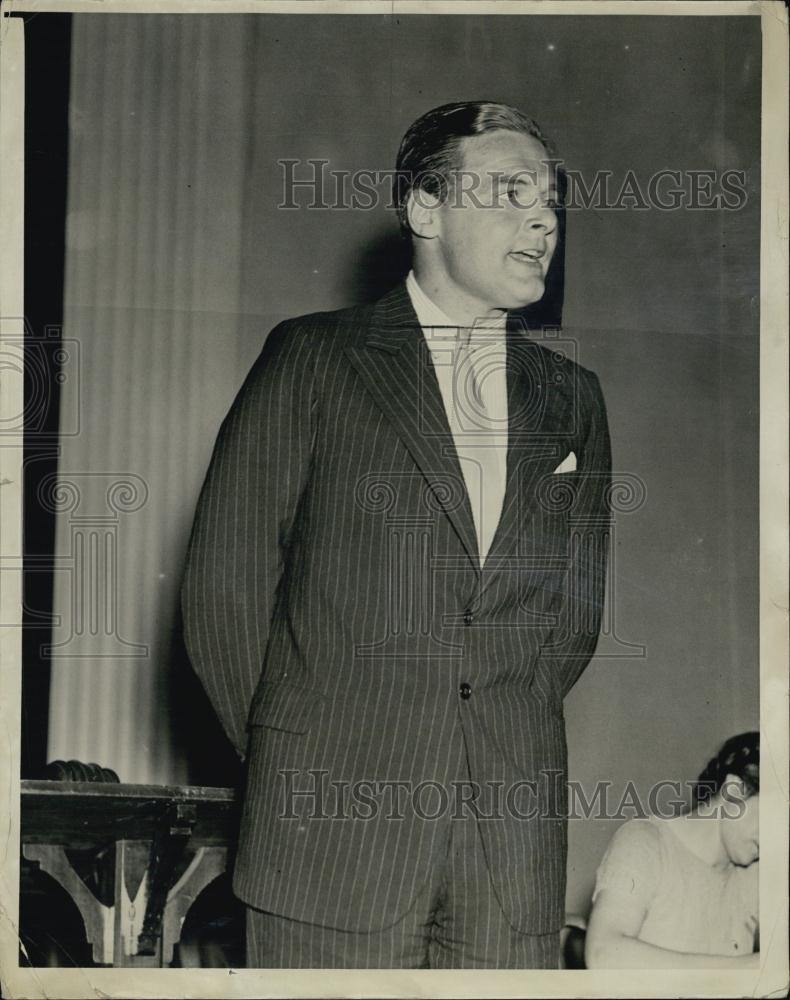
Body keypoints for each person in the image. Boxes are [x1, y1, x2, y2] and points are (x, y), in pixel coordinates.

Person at [181, 100, 612, 969]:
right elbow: (222, 596)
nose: (542, 218)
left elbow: (571, 620)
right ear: (425, 209)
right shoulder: (314, 358)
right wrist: (302, 747)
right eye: (511, 191)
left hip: (510, 851)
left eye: (553, 201)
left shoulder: (573, 397)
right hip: (329, 833)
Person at [585, 732, 760, 969]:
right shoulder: (645, 841)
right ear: (734, 791)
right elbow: (603, 954)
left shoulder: (752, 873)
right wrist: (742, 971)